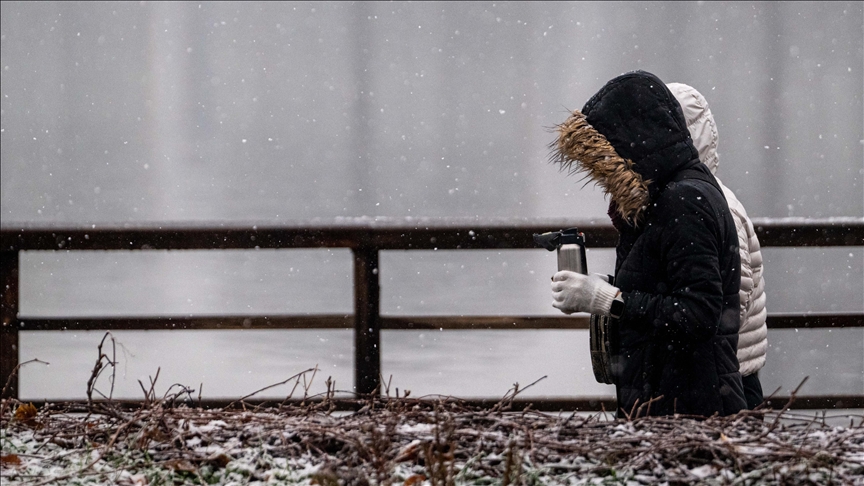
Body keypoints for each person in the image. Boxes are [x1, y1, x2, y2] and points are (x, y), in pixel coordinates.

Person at [549, 70, 747, 417]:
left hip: (689, 409)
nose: (604, 175)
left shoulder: (683, 200)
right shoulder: (663, 197)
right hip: (673, 399)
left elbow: (698, 315)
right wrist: (601, 290)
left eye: (606, 159)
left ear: (633, 145)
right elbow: (666, 288)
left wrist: (605, 299)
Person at [666, 82, 767, 410]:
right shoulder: (694, 200)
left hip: (726, 384)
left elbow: (725, 306)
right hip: (721, 378)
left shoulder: (707, 206)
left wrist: (626, 307)